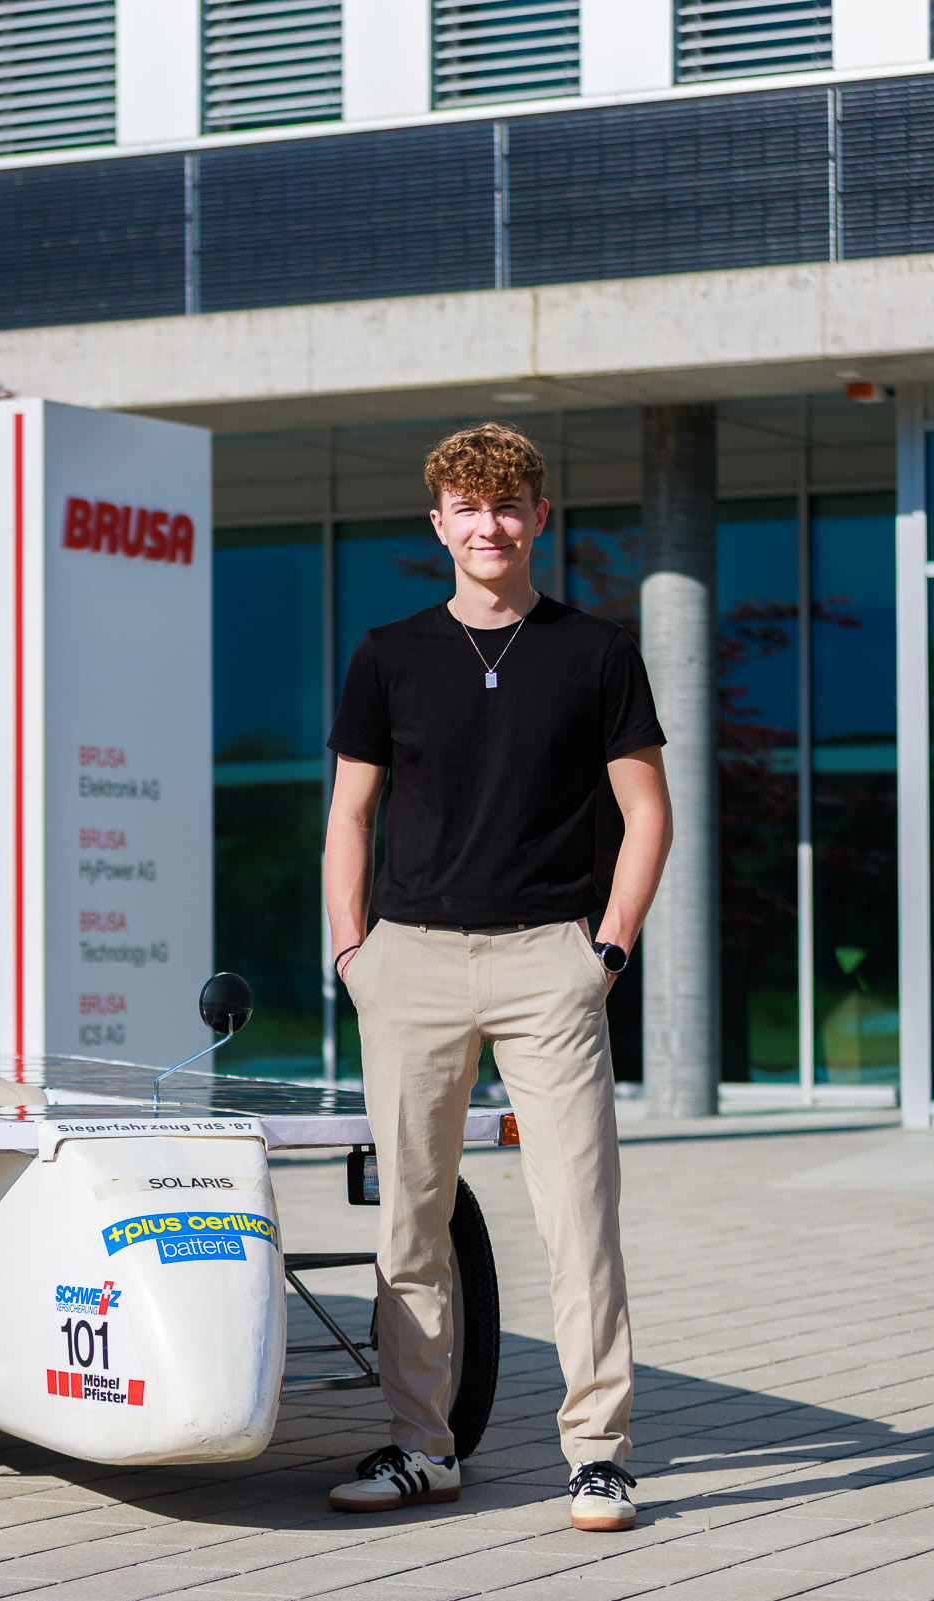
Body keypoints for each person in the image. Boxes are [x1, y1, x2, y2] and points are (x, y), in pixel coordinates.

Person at [320, 421, 672, 1533]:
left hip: (547, 964)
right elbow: (350, 814)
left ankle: (599, 1455)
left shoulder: (596, 649)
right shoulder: (388, 653)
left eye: (507, 505)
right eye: (468, 508)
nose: (489, 525)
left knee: (581, 1217)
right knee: (411, 1222)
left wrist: (606, 950)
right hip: (410, 962)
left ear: (538, 518)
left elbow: (647, 811)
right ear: (439, 524)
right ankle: (423, 1448)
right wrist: (354, 953)